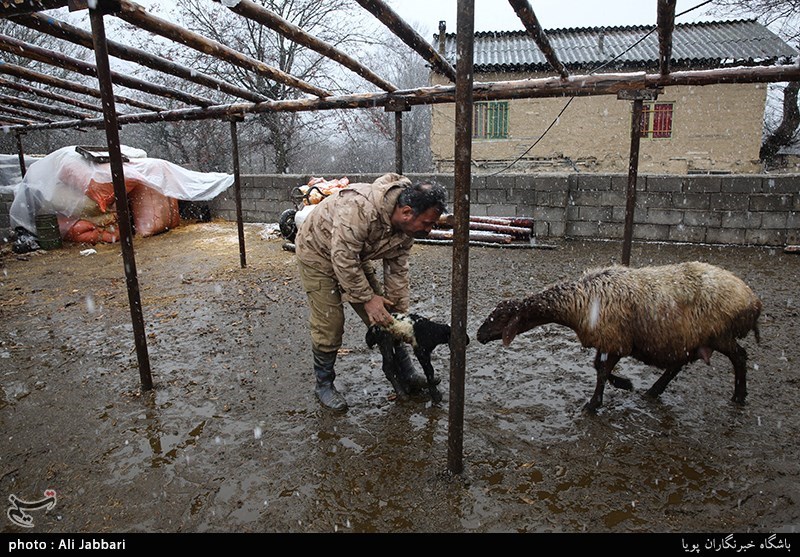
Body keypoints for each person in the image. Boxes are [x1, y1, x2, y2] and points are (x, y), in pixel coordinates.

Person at [294, 173, 448, 411]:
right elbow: (342, 259)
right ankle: (324, 384)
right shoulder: (359, 208)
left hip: (353, 256)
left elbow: (397, 272)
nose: (429, 229)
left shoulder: (406, 229)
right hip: (318, 256)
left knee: (387, 317)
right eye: (427, 223)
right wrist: (367, 298)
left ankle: (406, 374)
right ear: (407, 212)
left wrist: (399, 318)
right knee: (330, 324)